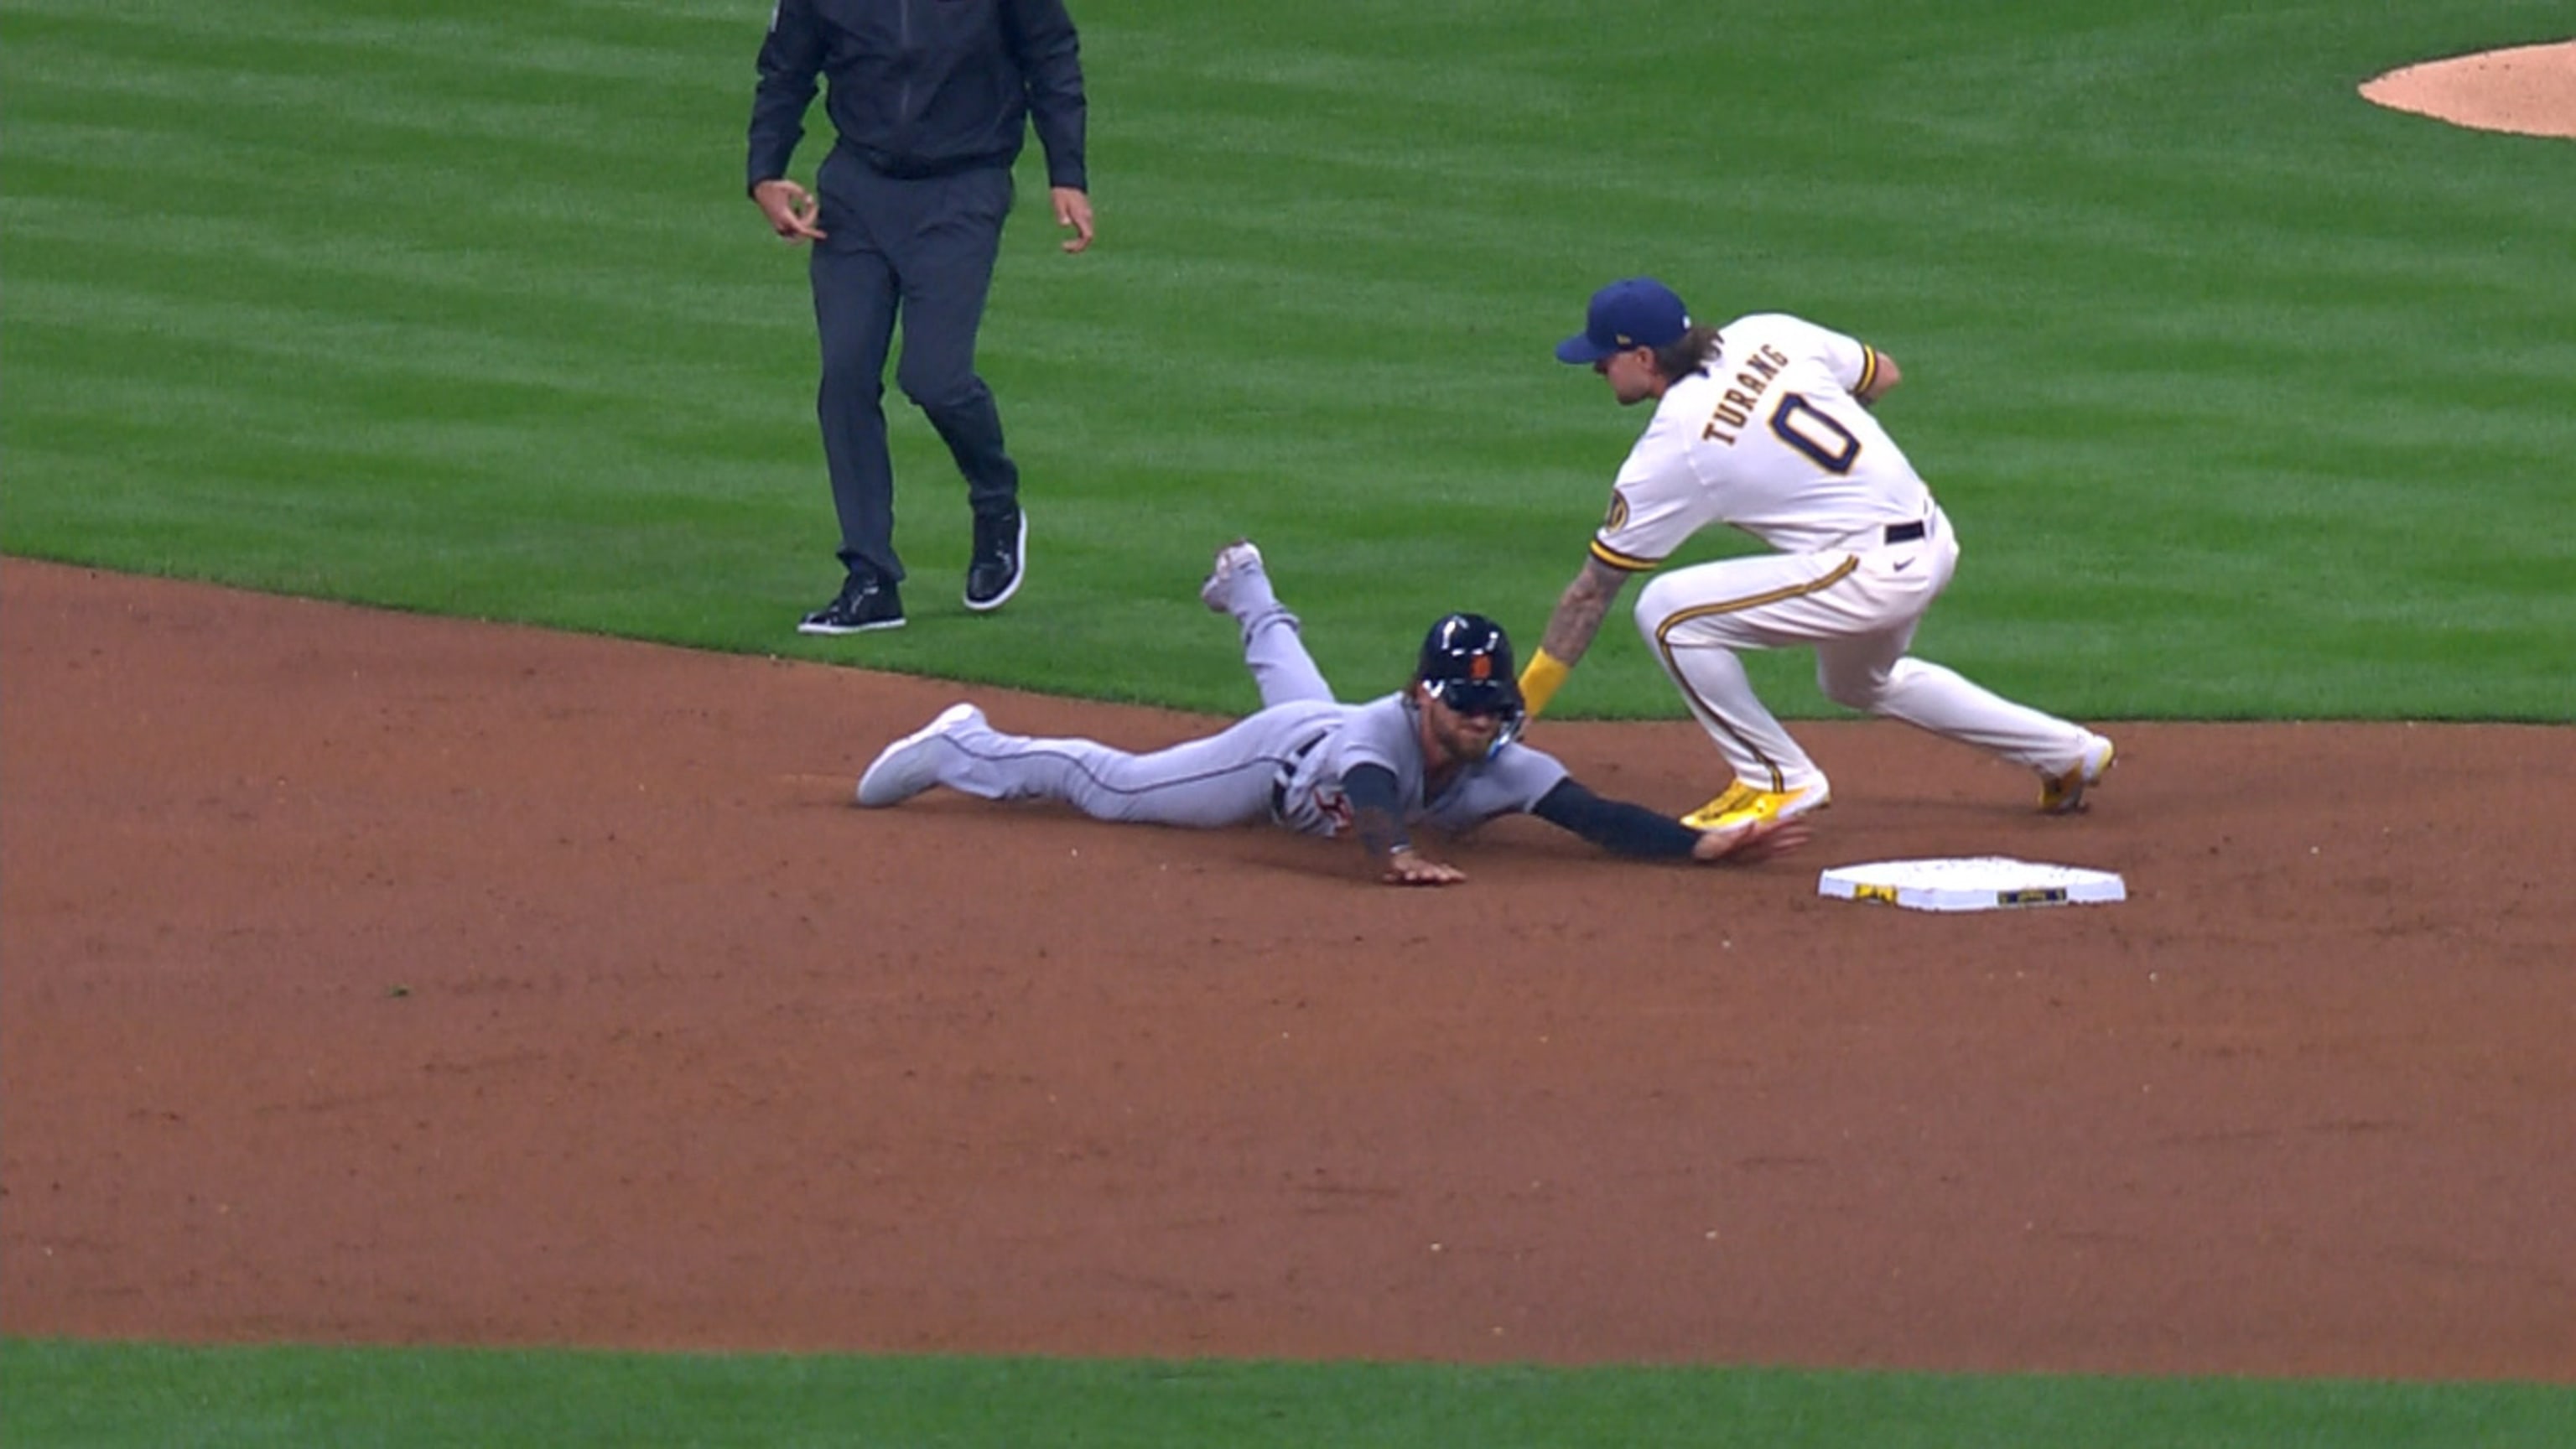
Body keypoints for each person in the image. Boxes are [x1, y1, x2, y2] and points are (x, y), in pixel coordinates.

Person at [1516, 277, 2116, 831]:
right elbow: (1883, 376)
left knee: (1666, 612)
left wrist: (1521, 709)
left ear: (1643, 359)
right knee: (1859, 682)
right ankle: (2065, 753)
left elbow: (1593, 590)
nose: (1596, 367)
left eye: (1604, 358)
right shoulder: (1766, 332)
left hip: (1869, 571)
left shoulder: (1672, 449)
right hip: (1931, 536)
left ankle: (1777, 779)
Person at [854, 543, 1810, 886]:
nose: (1484, 721)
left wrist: (1695, 848)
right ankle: (966, 745)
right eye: (1467, 704)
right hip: (1268, 771)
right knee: (1113, 789)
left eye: (1494, 704)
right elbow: (1364, 785)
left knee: (1303, 686)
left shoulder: (1497, 758)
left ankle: (1249, 588)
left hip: (1318, 723)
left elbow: (1592, 816)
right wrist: (1391, 855)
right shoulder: (1380, 736)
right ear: (1423, 695)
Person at [747, 0, 1097, 636]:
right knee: (846, 376)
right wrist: (764, 171)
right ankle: (870, 577)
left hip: (962, 190)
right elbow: (786, 68)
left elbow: (1051, 57)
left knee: (935, 376)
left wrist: (1066, 173)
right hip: (857, 192)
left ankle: (995, 502)